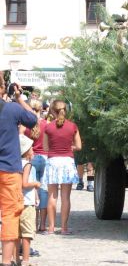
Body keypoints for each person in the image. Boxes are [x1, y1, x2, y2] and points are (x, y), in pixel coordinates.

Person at [0, 81, 37, 266]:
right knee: (10, 214)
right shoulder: (12, 109)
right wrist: (18, 97)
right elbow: (32, 120)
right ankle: (6, 263)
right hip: (8, 169)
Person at [41, 99, 82, 235]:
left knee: (52, 196)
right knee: (66, 197)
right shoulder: (72, 126)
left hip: (53, 161)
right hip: (67, 162)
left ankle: (51, 227)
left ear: (52, 111)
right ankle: (64, 228)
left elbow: (46, 147)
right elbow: (79, 146)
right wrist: (70, 147)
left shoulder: (48, 127)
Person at [20, 99, 49, 233]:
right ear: (41, 109)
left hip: (29, 158)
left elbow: (20, 141)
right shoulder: (46, 124)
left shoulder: (24, 126)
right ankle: (43, 224)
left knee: (32, 190)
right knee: (43, 191)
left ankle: (33, 222)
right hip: (44, 157)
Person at [18, 135, 40, 266]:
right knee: (27, 233)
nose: (33, 151)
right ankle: (25, 260)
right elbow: (25, 183)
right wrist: (36, 184)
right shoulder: (27, 164)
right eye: (31, 149)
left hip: (18, 201)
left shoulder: (15, 163)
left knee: (16, 233)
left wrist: (36, 195)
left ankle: (16, 259)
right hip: (27, 203)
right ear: (26, 151)